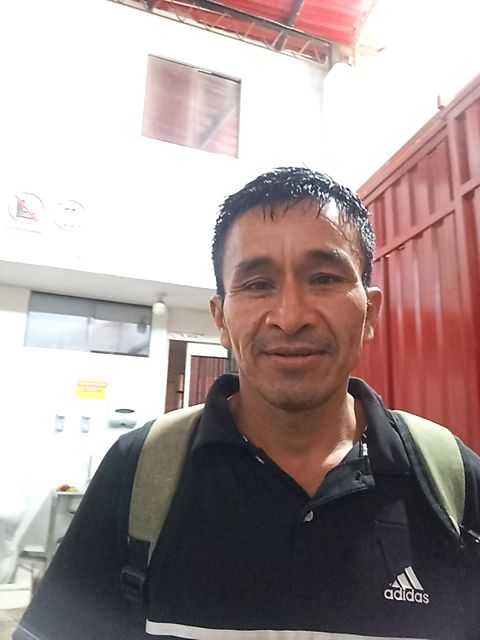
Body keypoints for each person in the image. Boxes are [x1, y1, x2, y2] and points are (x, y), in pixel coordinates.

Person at [15, 167, 480, 640]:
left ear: (370, 313)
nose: (291, 317)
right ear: (221, 319)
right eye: (257, 284)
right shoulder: (138, 471)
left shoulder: (452, 481)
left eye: (324, 277)